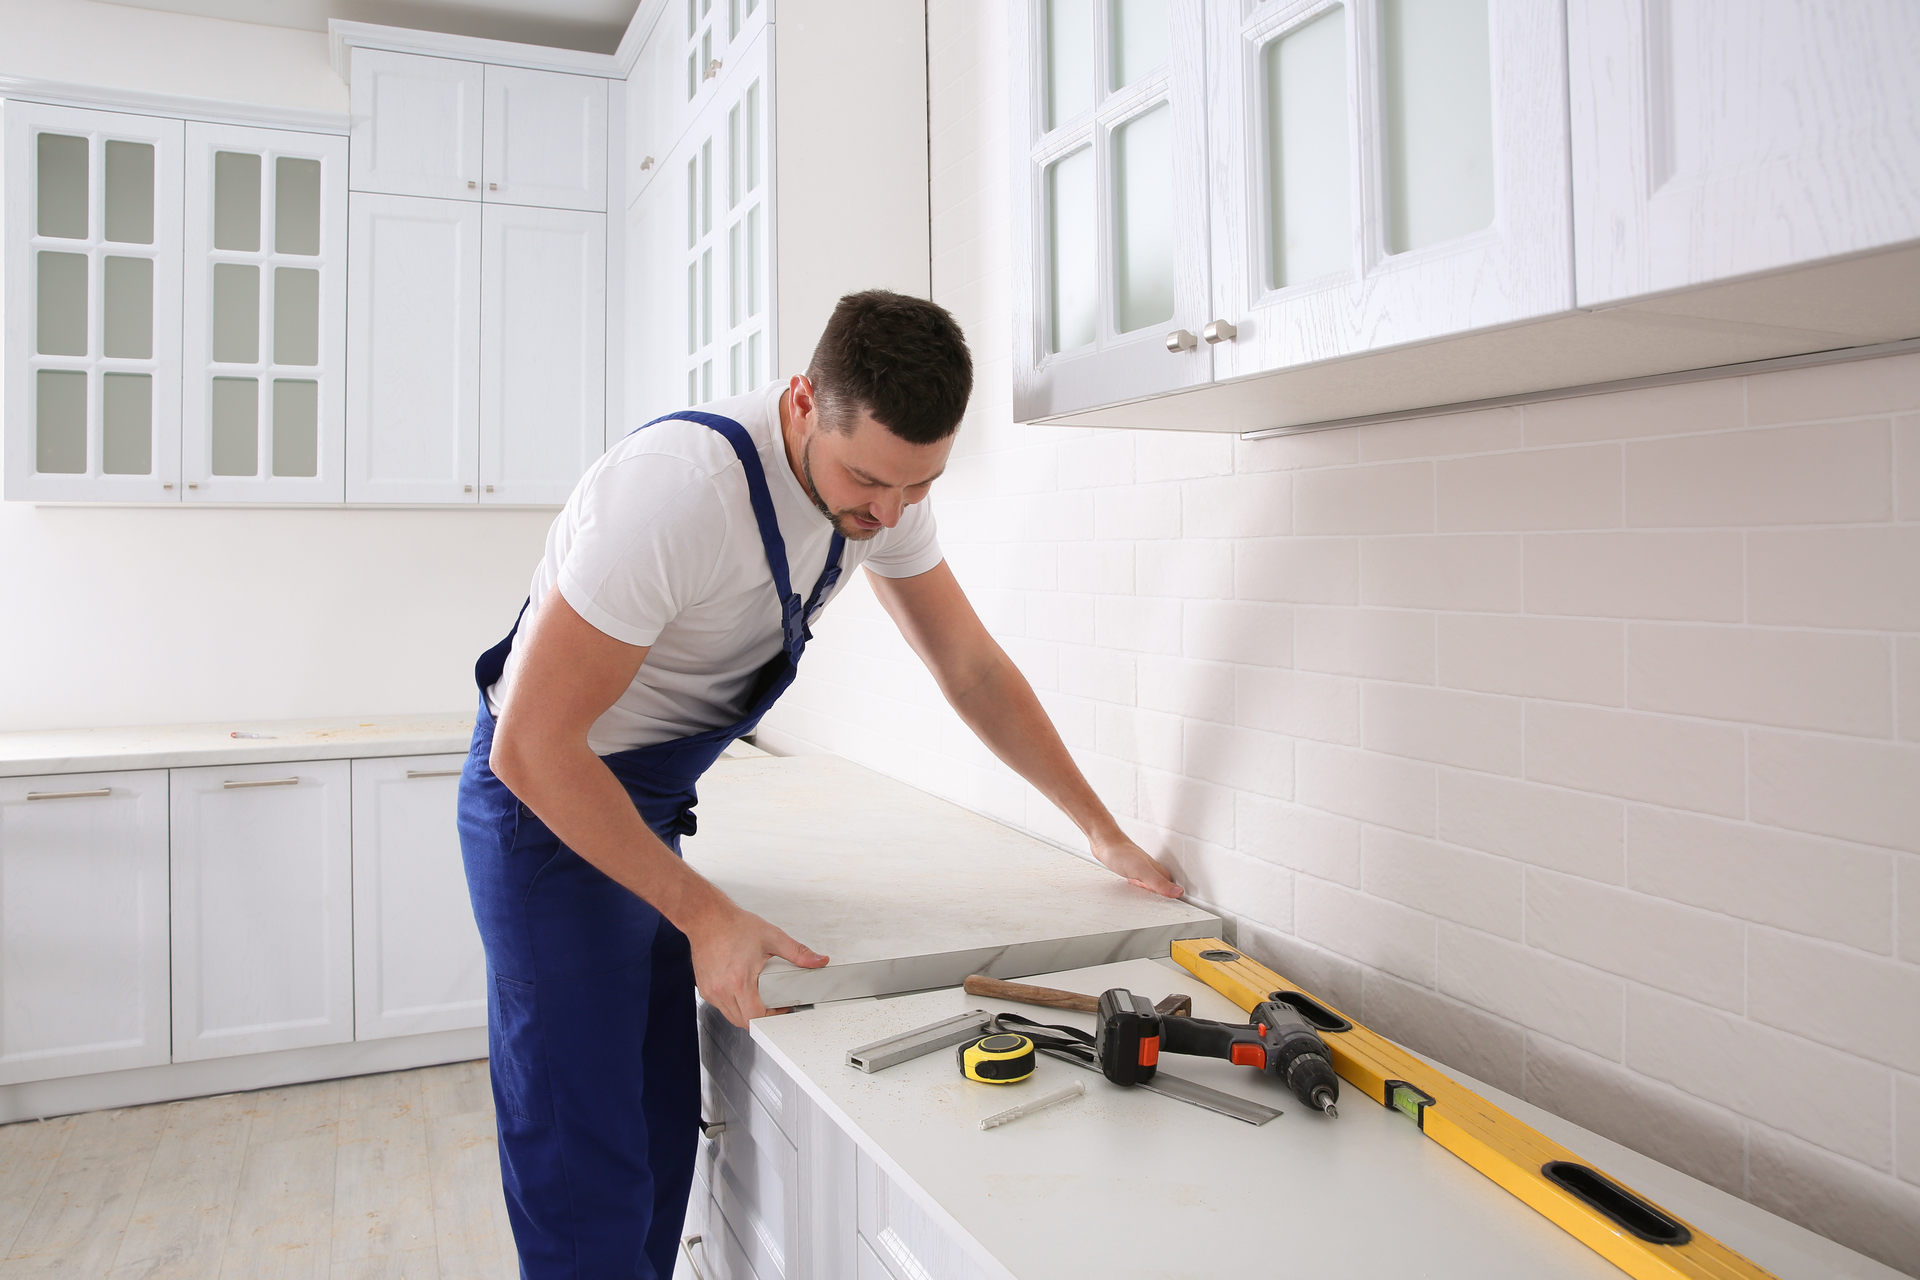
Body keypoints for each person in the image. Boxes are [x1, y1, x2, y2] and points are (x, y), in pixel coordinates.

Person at [456, 289, 1182, 1278]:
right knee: (585, 1157)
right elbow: (532, 747)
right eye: (870, 480)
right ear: (803, 402)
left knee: (660, 1117)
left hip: (645, 809)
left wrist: (1099, 829)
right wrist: (705, 913)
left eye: (919, 487)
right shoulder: (676, 493)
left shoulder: (878, 497)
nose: (887, 514)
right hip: (549, 813)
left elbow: (968, 665)